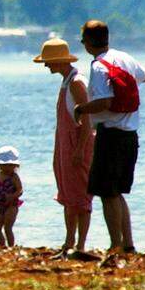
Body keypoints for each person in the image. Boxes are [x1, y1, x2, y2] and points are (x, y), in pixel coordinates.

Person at [73, 20, 145, 255]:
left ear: (88, 42)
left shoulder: (99, 66)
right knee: (117, 192)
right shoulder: (124, 57)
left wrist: (81, 109)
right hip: (130, 134)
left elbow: (104, 102)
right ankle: (127, 244)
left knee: (107, 193)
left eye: (83, 40)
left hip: (110, 135)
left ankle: (115, 245)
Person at [33, 38, 95, 256]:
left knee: (81, 197)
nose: (46, 65)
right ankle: (69, 243)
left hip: (77, 145)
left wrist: (79, 149)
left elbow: (87, 119)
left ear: (59, 61)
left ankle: (80, 245)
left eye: (48, 61)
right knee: (68, 196)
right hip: (65, 145)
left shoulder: (77, 83)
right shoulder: (66, 82)